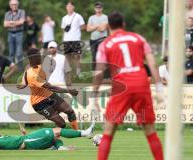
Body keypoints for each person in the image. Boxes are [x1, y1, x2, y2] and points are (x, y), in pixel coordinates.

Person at [93, 11, 164, 160]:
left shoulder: (105, 44)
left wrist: (94, 94)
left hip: (122, 86)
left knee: (109, 130)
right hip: (141, 83)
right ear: (123, 24)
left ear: (108, 26)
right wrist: (159, 87)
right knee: (150, 130)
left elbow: (98, 73)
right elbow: (152, 62)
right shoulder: (138, 38)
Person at [17, 48, 78, 130]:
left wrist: (23, 83)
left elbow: (24, 81)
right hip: (39, 103)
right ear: (32, 58)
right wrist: (69, 91)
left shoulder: (37, 67)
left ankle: (77, 132)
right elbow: (51, 87)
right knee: (62, 124)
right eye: (38, 55)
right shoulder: (32, 75)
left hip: (50, 95)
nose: (40, 57)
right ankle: (48, 138)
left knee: (70, 112)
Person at [0, 124, 94, 150]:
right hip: (27, 142)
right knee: (56, 131)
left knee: (55, 138)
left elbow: (13, 143)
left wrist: (23, 134)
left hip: (27, 139)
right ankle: (85, 133)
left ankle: (61, 149)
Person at [61, 1, 85, 76]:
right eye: (68, 6)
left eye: (70, 6)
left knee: (77, 56)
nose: (69, 8)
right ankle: (68, 73)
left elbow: (83, 26)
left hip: (75, 39)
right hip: (66, 39)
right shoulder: (64, 18)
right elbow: (63, 28)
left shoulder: (78, 16)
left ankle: (78, 73)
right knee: (67, 57)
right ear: (66, 8)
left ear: (73, 7)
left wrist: (76, 30)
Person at [4, 0, 25, 71]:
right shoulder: (7, 13)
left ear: (18, 5)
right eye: (12, 4)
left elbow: (21, 22)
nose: (14, 6)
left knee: (19, 53)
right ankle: (12, 70)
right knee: (11, 53)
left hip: (19, 33)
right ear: (10, 5)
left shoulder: (22, 12)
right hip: (10, 33)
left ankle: (20, 69)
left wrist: (10, 22)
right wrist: (16, 22)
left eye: (15, 4)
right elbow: (5, 25)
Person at [87, 1, 108, 70]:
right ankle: (94, 74)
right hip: (93, 40)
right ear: (94, 8)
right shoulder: (91, 18)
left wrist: (93, 26)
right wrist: (98, 26)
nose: (98, 8)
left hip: (102, 39)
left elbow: (102, 29)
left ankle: (104, 74)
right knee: (94, 58)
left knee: (102, 57)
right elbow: (88, 29)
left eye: (99, 7)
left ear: (102, 8)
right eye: (96, 7)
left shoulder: (105, 17)